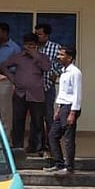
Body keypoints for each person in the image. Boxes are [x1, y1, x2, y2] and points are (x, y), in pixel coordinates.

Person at [0, 33, 50, 151]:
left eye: (31, 45)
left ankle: (35, 147)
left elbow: (46, 68)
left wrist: (35, 56)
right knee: (18, 120)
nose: (29, 48)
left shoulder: (42, 57)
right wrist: (12, 78)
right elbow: (3, 65)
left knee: (37, 122)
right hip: (20, 93)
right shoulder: (19, 57)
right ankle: (17, 146)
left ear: (36, 45)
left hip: (36, 94)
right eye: (26, 45)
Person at [46, 46, 82, 175]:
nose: (58, 57)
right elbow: (62, 92)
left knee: (68, 138)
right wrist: (58, 108)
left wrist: (73, 112)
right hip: (63, 107)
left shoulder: (75, 72)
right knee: (52, 135)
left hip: (70, 107)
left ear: (70, 57)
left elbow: (77, 94)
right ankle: (58, 163)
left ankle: (69, 167)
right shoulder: (63, 71)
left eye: (62, 54)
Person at [0, 22, 21, 136]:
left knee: (5, 112)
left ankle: (6, 138)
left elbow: (17, 66)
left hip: (5, 81)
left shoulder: (15, 48)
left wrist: (4, 68)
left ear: (5, 33)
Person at [35, 23, 62, 155]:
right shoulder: (34, 48)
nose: (37, 36)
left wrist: (55, 74)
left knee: (49, 116)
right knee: (36, 118)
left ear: (46, 35)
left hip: (47, 86)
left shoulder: (55, 48)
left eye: (40, 34)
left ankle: (51, 145)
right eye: (36, 34)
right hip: (34, 88)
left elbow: (63, 64)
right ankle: (38, 145)